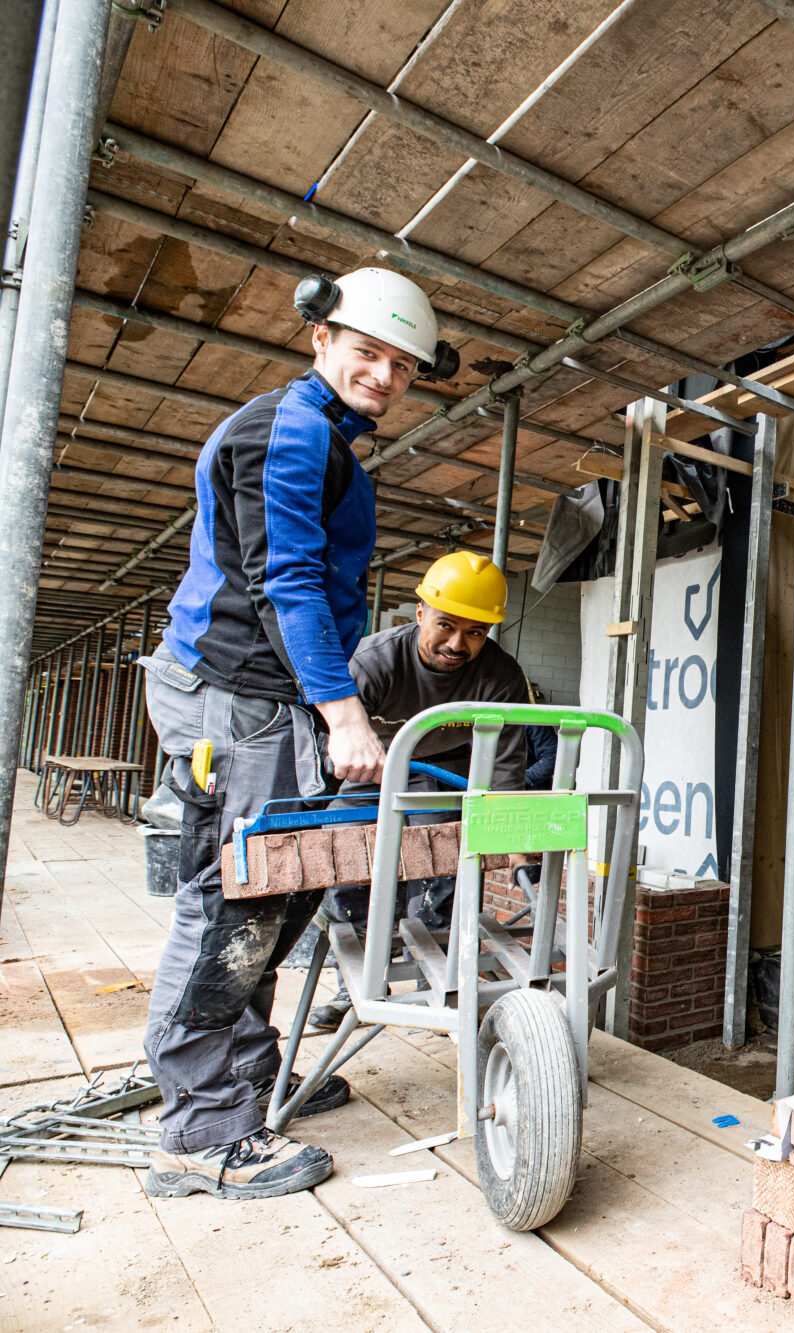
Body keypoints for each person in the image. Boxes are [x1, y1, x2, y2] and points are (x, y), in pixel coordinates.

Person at [137, 268, 451, 1201]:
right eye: (368, 353)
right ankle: (199, 1130)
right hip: (237, 694)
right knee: (237, 896)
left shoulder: (325, 438)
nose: (386, 376)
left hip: (262, 695)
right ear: (320, 339)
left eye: (403, 365)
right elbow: (288, 581)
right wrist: (343, 712)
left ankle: (244, 1071)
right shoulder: (290, 431)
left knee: (277, 885)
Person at [306, 552, 532, 1030]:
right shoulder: (374, 660)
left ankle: (438, 980)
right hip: (374, 767)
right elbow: (326, 747)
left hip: (445, 769)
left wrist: (513, 845)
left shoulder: (501, 676)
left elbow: (508, 763)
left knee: (440, 869)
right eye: (446, 625)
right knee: (350, 861)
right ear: (420, 613)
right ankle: (355, 984)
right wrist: (311, 813)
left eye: (475, 632)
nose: (457, 644)